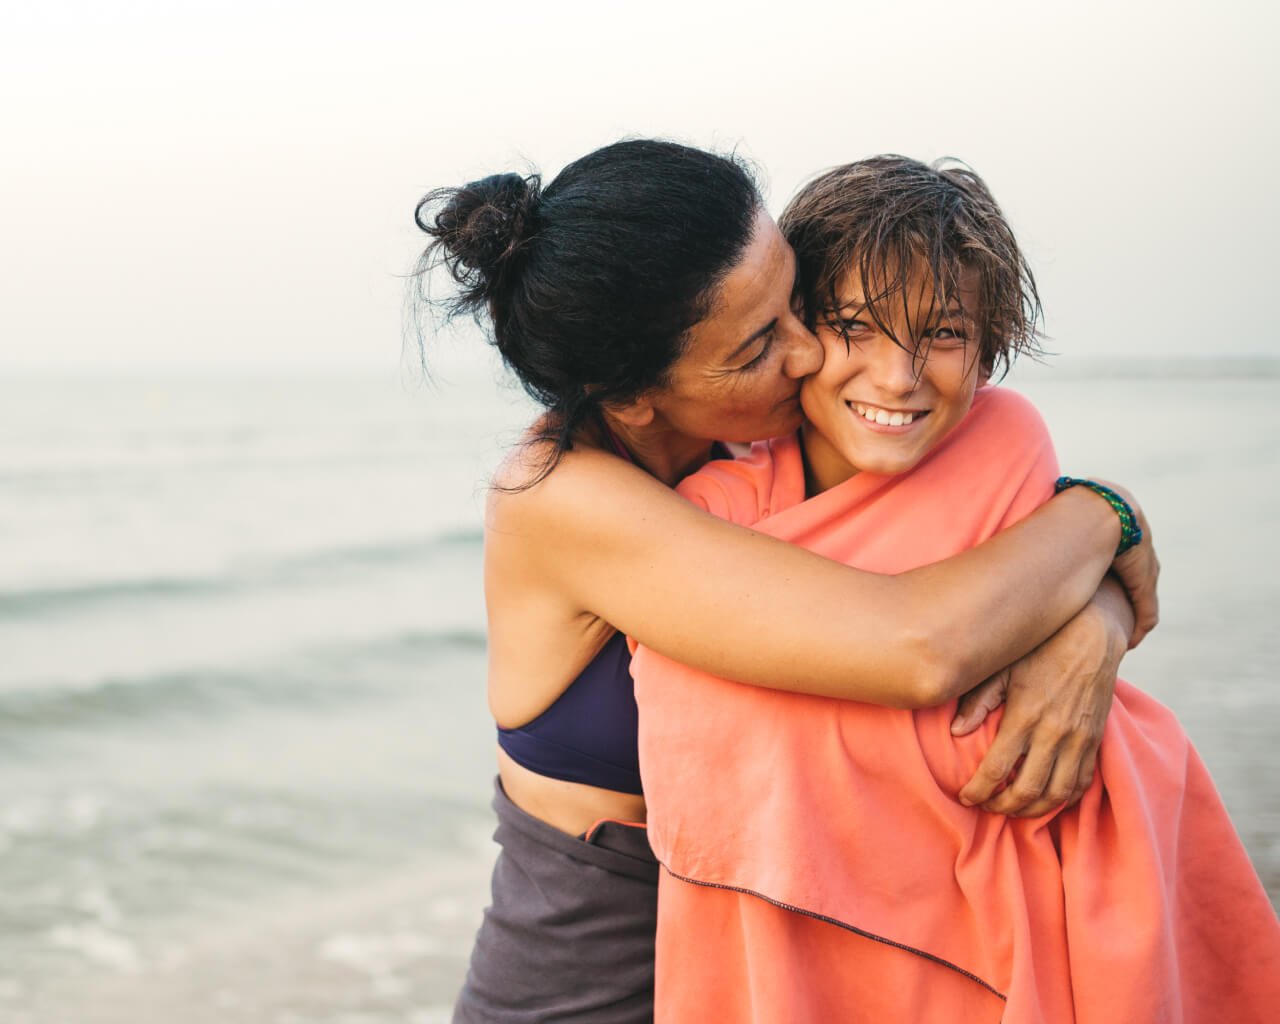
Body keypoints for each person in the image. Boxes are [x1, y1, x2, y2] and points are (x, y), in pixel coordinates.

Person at [412, 140, 1159, 1024]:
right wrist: (1105, 516)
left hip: (776, 981)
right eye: (762, 341)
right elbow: (917, 644)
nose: (808, 353)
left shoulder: (752, 449)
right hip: (589, 997)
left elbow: (972, 554)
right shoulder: (558, 499)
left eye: (795, 302)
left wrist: (1096, 619)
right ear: (633, 395)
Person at [631, 155, 1280, 1022]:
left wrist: (1096, 619)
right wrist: (1094, 598)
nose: (898, 380)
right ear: (796, 331)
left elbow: (1041, 583)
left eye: (940, 334)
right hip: (797, 939)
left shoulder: (1004, 443)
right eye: (855, 326)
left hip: (1043, 902)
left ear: (989, 346)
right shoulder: (710, 514)